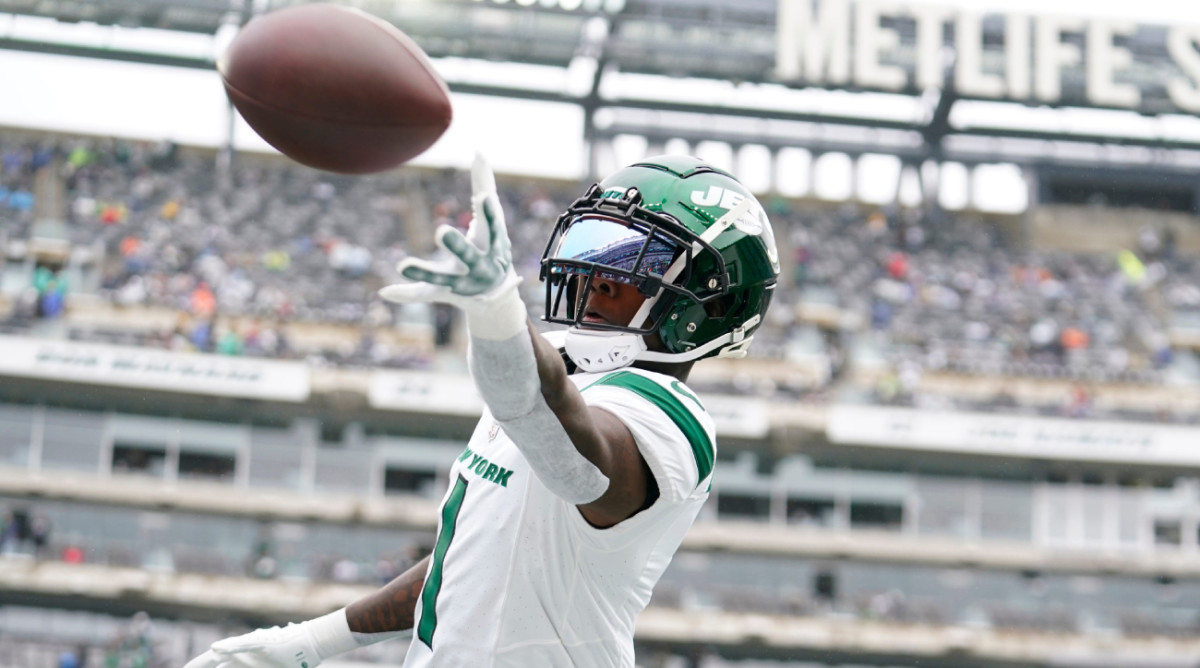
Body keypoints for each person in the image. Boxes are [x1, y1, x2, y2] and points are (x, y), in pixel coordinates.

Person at [184, 154, 779, 668]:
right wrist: (308, 642)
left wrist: (500, 318)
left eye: (635, 265)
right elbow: (468, 560)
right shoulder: (556, 382)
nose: (597, 278)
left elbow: (576, 460)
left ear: (710, 303)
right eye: (597, 252)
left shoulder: (669, 418)